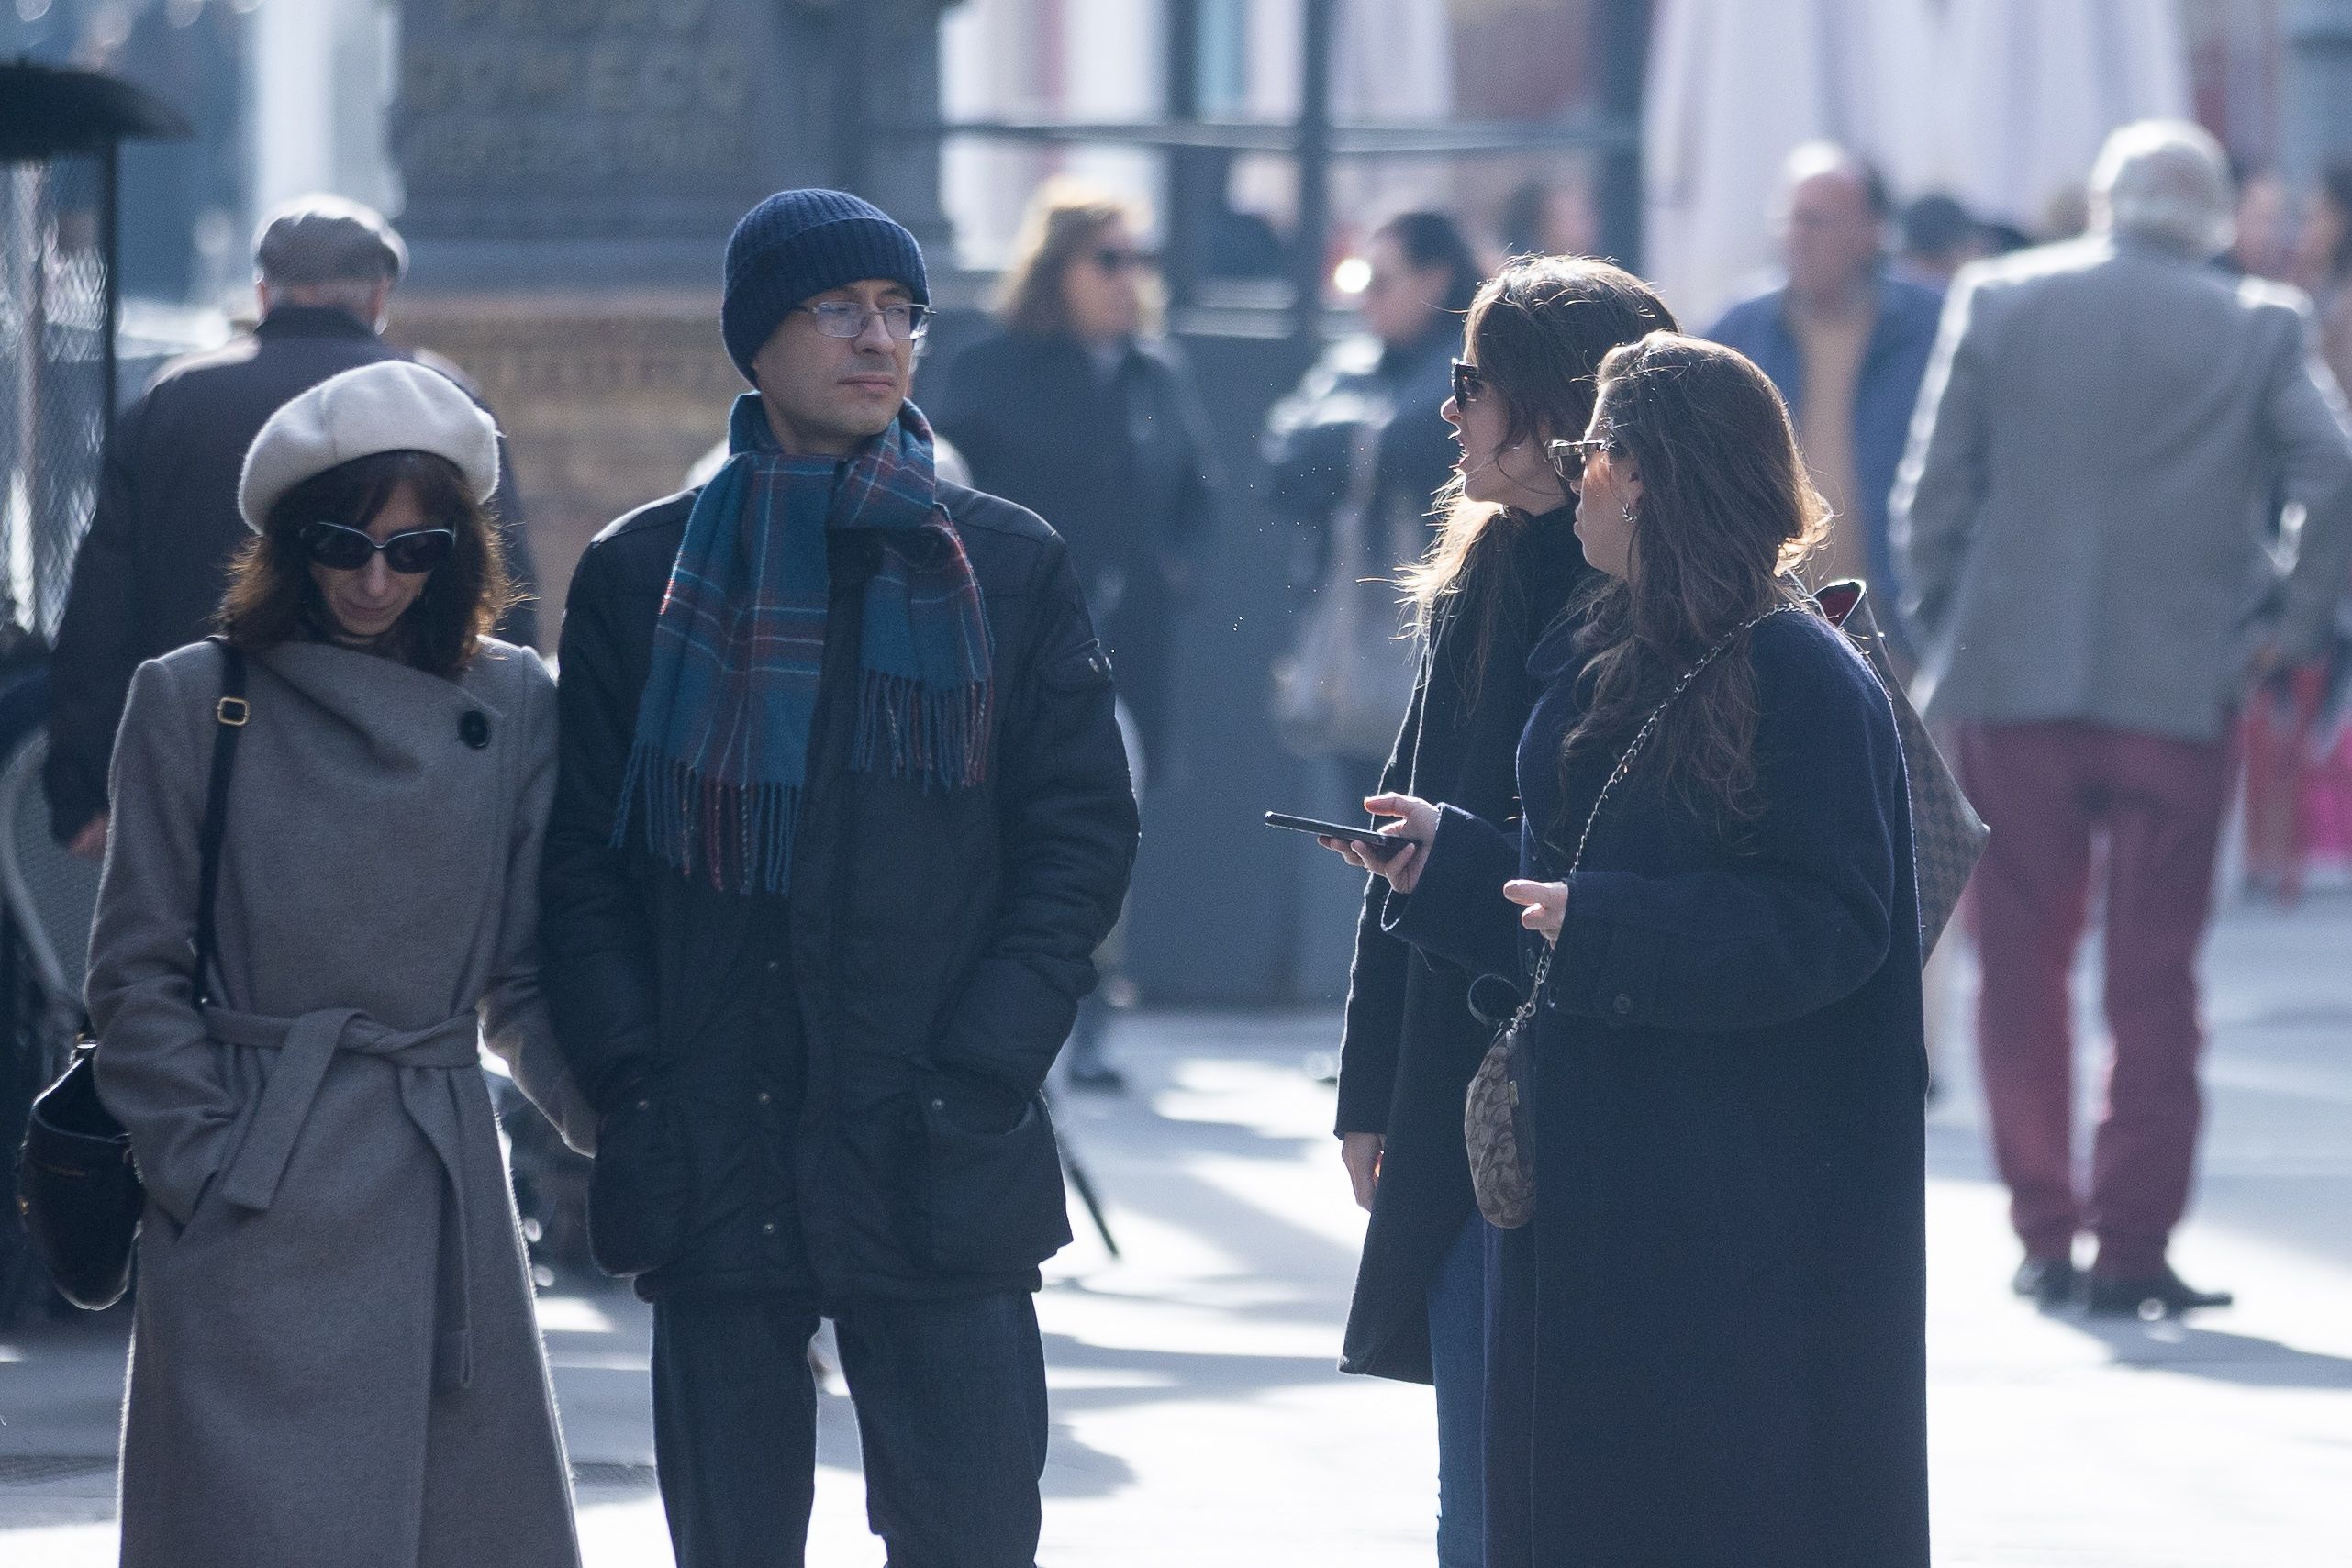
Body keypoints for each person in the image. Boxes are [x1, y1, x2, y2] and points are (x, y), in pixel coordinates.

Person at [540, 189, 1138, 1568]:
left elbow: (1079, 838)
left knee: (971, 1533)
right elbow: (583, 861)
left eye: (899, 312)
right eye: (838, 310)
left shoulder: (1002, 561)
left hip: (936, 1135)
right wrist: (635, 1076)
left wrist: (986, 1059)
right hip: (717, 1134)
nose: (879, 340)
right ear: (757, 340)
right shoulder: (641, 574)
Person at [1348, 333, 1928, 1566]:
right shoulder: (1611, 640)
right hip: (1595, 1184)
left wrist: (1604, 922)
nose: (1574, 473)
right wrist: (1451, 865)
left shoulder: (1797, 667)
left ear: (1652, 475)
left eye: (1592, 447)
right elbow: (1573, 875)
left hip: (1723, 1205)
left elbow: (1833, 924)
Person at [85, 360, 591, 1568]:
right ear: (289, 544)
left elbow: (523, 981)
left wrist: (625, 1127)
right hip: (250, 1179)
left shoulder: (515, 701)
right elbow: (135, 972)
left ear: (454, 554)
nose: (374, 579)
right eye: (341, 544)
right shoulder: (194, 697)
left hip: (434, 1188)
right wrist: (201, 1163)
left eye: (412, 550)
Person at [1895, 121, 2352, 1316]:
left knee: (2019, 965)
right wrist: (2284, 622)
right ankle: (2132, 1243)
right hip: (2177, 686)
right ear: (2208, 215)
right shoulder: (2256, 322)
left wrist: (1948, 618)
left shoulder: (2000, 299)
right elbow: (2329, 468)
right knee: (2154, 976)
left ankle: (2043, 1227)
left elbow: (1930, 488)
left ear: (2103, 200)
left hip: (2014, 681)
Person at [1317, 256, 1675, 1568]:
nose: (1448, 406)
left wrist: (1461, 864)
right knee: (1478, 1494)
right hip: (1466, 1086)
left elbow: (1640, 865)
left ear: (1554, 406)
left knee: (1552, 1490)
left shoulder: (1662, 605)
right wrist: (1366, 1088)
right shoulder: (1485, 575)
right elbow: (1399, 825)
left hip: (1607, 1099)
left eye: (1472, 380)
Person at [43, 193, 540, 858]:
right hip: (406, 781)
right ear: (378, 296)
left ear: (262, 294)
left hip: (205, 765)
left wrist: (82, 791)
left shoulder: (173, 399)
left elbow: (103, 610)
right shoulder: (439, 406)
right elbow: (497, 597)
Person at [933, 179, 1219, 777]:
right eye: (1108, 260)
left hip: (1133, 636)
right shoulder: (992, 368)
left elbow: (1197, 491)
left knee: (1124, 798)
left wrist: (1173, 569)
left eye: (1140, 260)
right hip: (1022, 638)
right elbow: (947, 488)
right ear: (1055, 268)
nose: (1128, 278)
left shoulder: (1155, 373)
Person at [1706, 143, 1942, 601]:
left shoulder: (1930, 326)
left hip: (1900, 609)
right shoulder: (1740, 330)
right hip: (1775, 608)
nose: (1796, 237)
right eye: (1789, 220)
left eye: (1815, 221)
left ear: (1871, 232)